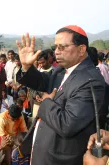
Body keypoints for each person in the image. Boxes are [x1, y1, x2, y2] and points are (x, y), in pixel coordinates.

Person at [16, 26, 105, 165]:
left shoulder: (91, 81)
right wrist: (26, 67)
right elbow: (42, 81)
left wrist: (45, 102)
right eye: (55, 47)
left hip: (58, 158)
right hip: (43, 151)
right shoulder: (61, 70)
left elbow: (67, 124)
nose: (56, 52)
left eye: (62, 47)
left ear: (81, 49)